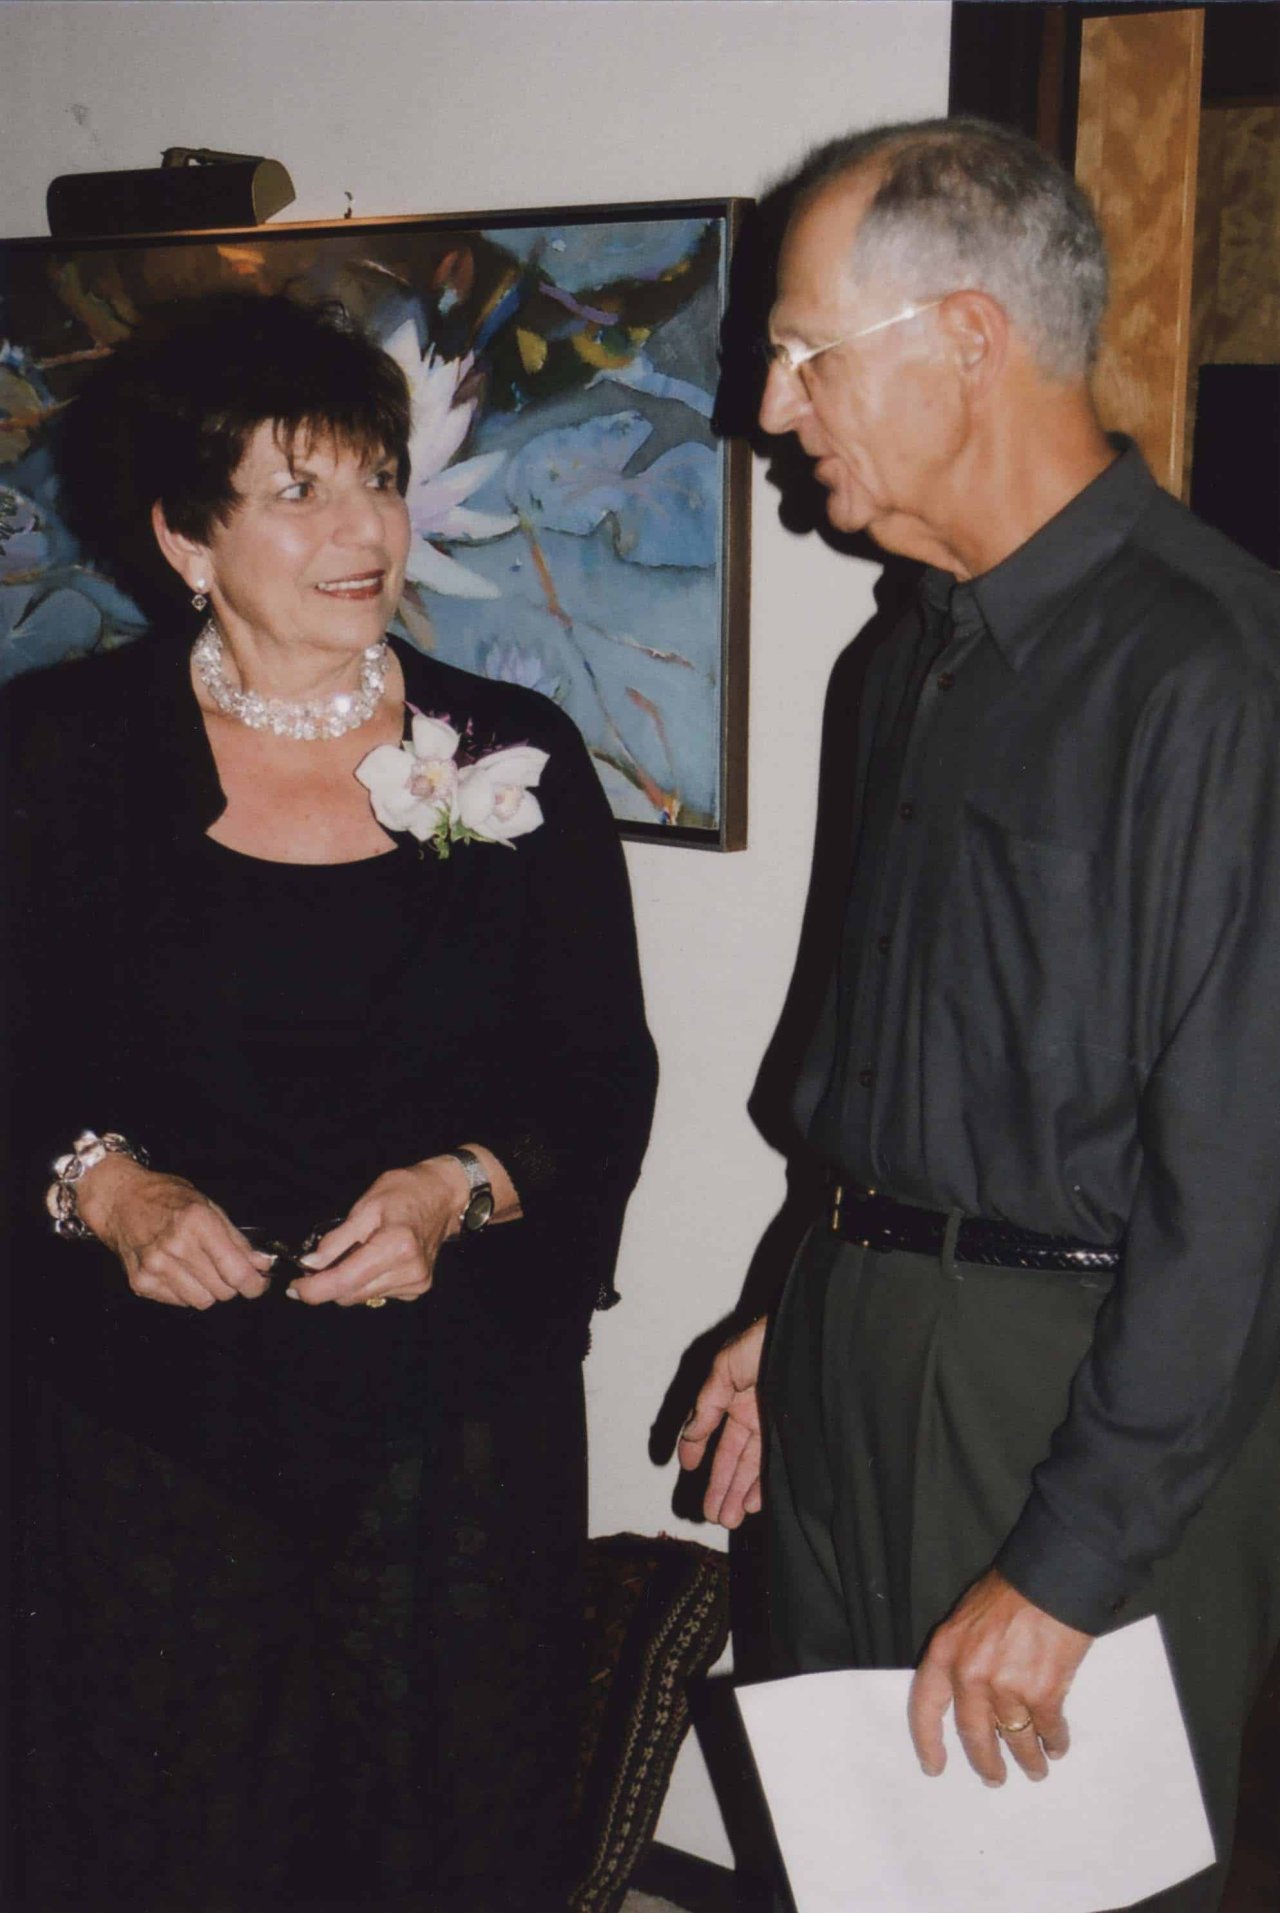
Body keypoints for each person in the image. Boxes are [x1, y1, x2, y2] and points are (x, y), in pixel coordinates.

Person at [680, 118, 1280, 1910]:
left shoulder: (1217, 675)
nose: (776, 408)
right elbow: (887, 1067)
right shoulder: (900, 662)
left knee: (1058, 1886)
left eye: (803, 352)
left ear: (965, 335)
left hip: (1074, 1389)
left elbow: (1240, 1196)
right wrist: (795, 1304)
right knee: (869, 1875)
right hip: (860, 1351)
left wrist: (1076, 1560)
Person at [2, 292, 656, 1912]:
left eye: (377, 477)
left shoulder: (516, 755)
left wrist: (463, 1187)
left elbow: (600, 1077)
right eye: (299, 490)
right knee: (160, 1843)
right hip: (141, 1436)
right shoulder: (57, 757)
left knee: (433, 1844)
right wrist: (103, 1185)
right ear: (184, 535)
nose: (365, 529)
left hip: (447, 1449)